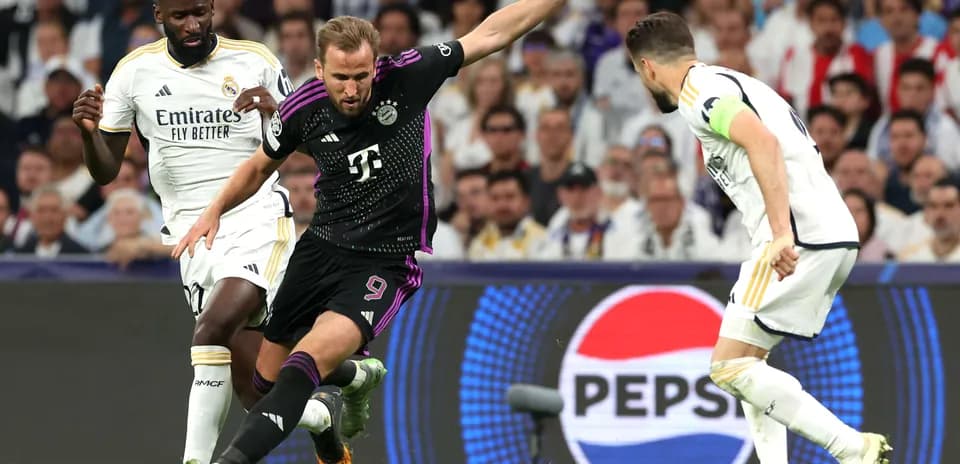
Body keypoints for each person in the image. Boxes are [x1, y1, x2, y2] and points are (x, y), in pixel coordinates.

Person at [172, 2, 567, 462]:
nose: (353, 88)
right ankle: (355, 378)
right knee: (263, 384)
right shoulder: (305, 106)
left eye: (362, 75)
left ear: (376, 64)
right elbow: (260, 165)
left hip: (384, 260)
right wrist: (214, 209)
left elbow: (492, 34)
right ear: (320, 69)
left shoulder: (409, 76)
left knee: (302, 368)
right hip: (320, 249)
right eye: (341, 77)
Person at [70, 1, 382, 463]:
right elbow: (105, 170)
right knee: (259, 395)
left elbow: (316, 138)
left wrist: (277, 111)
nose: (193, 26)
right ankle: (337, 396)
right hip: (193, 234)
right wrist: (88, 133)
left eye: (200, 12)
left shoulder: (255, 59)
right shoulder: (134, 73)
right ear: (159, 14)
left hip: (256, 220)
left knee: (210, 330)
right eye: (180, 16)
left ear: (214, 7)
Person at [627, 11, 891, 464]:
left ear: (647, 68)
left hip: (798, 236)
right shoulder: (730, 80)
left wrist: (781, 233)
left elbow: (762, 142)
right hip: (828, 231)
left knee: (728, 365)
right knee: (748, 364)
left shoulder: (700, 94)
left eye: (638, 74)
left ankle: (853, 449)